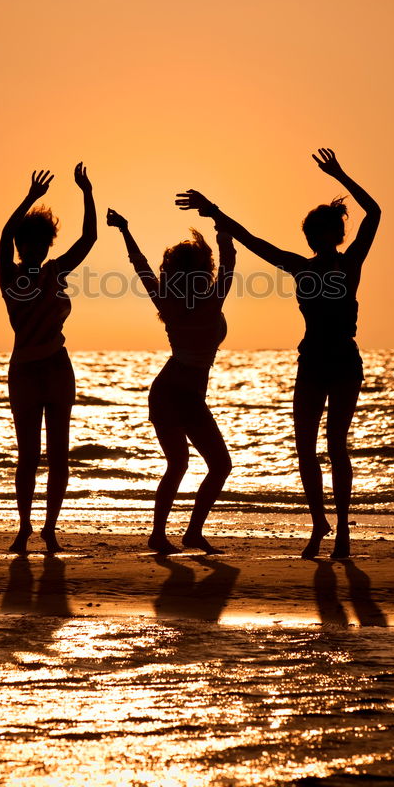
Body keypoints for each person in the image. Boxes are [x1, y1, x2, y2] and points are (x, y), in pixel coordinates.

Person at [176, 148, 380, 559]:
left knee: (336, 445)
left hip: (343, 362)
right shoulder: (299, 266)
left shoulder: (350, 263)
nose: (312, 240)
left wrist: (340, 174)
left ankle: (342, 533)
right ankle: (318, 524)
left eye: (318, 233)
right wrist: (214, 210)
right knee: (305, 447)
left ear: (333, 236)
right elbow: (252, 241)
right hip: (312, 363)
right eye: (309, 234)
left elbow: (374, 213)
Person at [106, 207, 236, 554]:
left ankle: (180, 534)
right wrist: (220, 224)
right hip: (178, 394)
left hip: (171, 392)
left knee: (191, 464)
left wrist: (125, 230)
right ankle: (170, 534)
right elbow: (230, 262)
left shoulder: (170, 300)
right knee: (210, 464)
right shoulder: (210, 300)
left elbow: (141, 267)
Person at [0, 164, 97, 553]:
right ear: (23, 248)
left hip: (56, 367)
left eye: (41, 245)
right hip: (25, 370)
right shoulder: (9, 275)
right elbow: (5, 235)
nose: (35, 251)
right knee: (28, 456)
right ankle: (23, 528)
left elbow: (89, 237)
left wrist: (87, 192)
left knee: (59, 455)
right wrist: (29, 199)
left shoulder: (56, 270)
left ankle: (49, 529)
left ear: (48, 246)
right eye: (29, 246)